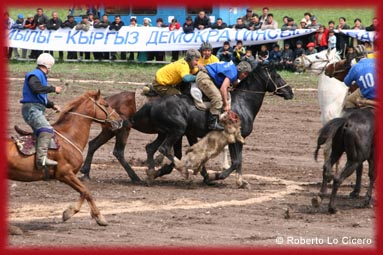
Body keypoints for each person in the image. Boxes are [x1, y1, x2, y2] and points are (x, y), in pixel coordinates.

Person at [20, 53, 63, 170]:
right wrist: (53, 89)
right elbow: (36, 89)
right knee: (47, 129)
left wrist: (52, 105)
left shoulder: (39, 75)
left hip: (34, 108)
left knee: (42, 134)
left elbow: (40, 96)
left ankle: (38, 161)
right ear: (48, 66)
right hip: (32, 109)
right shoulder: (35, 74)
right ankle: (41, 159)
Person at [196, 61, 252, 131]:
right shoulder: (233, 73)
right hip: (204, 77)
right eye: (245, 73)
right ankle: (212, 124)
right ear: (240, 70)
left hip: (207, 74)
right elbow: (223, 89)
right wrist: (225, 105)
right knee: (218, 98)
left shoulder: (233, 68)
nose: (245, 76)